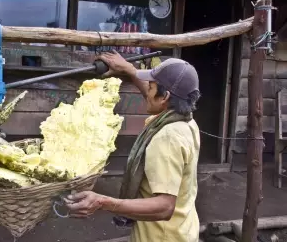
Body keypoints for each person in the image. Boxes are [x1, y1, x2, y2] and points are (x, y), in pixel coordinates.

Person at [65, 50, 201, 242]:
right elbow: (153, 96)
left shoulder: (167, 138)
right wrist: (128, 69)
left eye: (152, 87)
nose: (148, 92)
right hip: (182, 229)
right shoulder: (185, 121)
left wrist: (103, 201)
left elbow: (164, 206)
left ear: (165, 97)